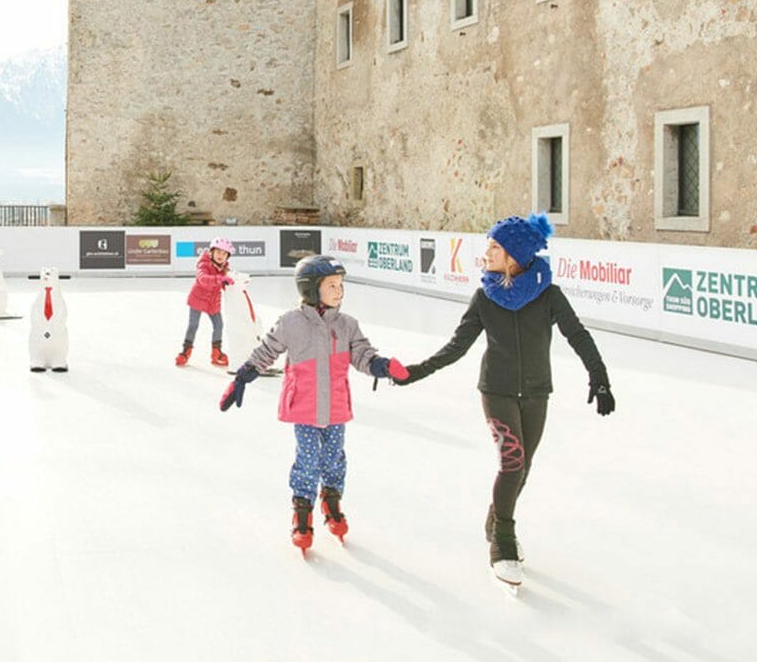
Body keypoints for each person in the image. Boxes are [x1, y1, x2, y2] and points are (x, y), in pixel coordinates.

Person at [394, 213, 615, 587]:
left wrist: (600, 377)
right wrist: (417, 371)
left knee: (523, 467)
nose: (488, 252)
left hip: (536, 392)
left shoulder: (549, 295)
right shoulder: (485, 296)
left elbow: (577, 334)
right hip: (496, 391)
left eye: (496, 246)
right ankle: (504, 541)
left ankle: (495, 519)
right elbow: (457, 346)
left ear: (515, 254)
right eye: (489, 245)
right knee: (512, 464)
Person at [220, 255, 409, 550]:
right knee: (307, 460)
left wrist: (382, 366)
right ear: (310, 289)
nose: (339, 291)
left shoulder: (347, 325)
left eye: (341, 284)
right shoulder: (291, 323)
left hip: (335, 407)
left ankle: (331, 500)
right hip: (305, 407)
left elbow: (362, 355)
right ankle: (302, 510)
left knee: (334, 457)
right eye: (332, 285)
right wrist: (242, 377)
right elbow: (266, 351)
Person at [175, 236, 234, 367]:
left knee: (219, 325)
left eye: (224, 253)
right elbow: (203, 278)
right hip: (198, 298)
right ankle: (185, 352)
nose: (220, 256)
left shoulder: (225, 269)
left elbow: (224, 284)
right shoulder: (204, 264)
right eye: (218, 252)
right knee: (193, 325)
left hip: (212, 301)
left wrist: (233, 284)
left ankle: (216, 352)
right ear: (211, 252)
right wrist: (219, 279)